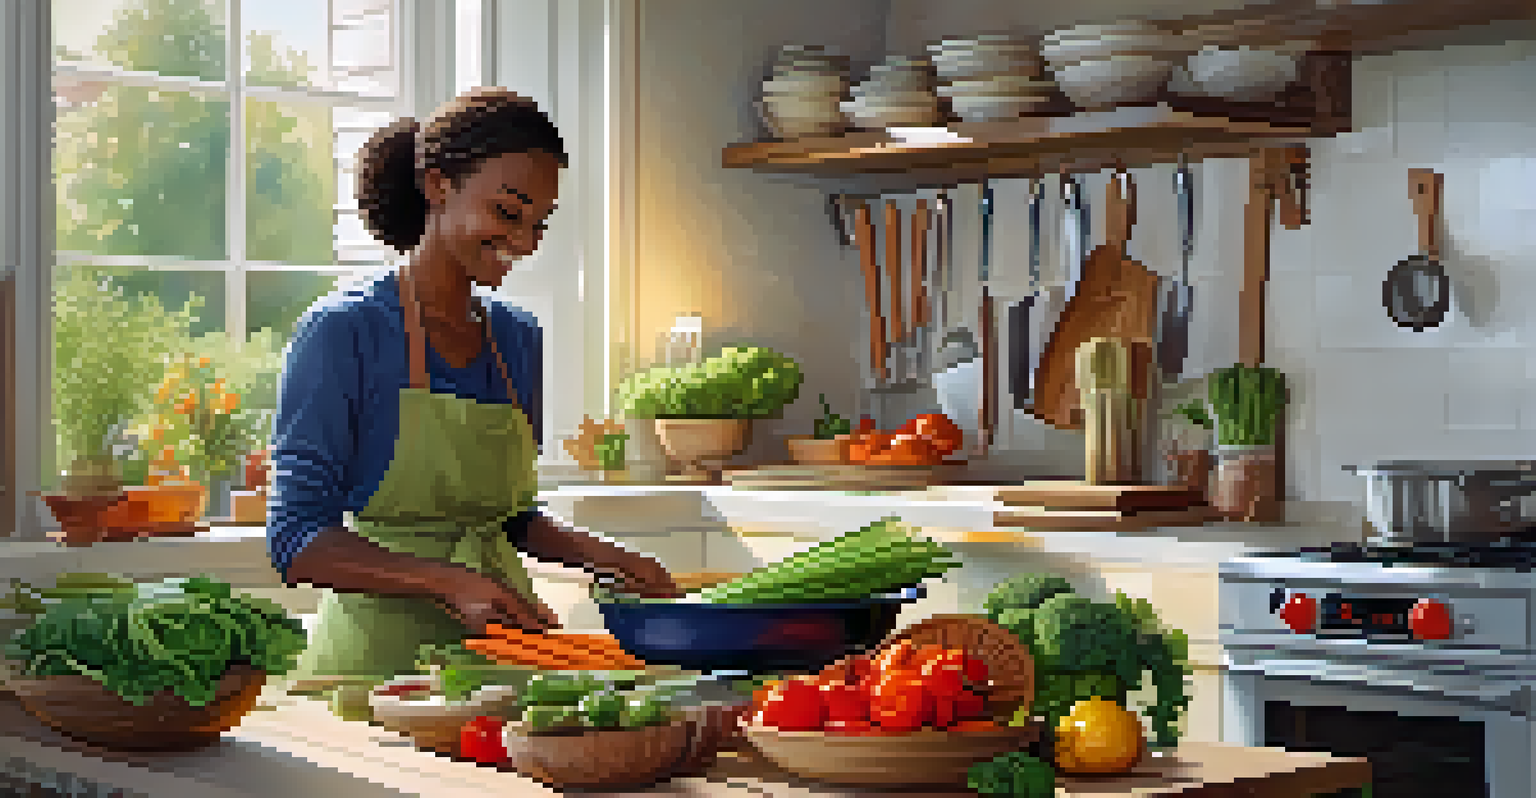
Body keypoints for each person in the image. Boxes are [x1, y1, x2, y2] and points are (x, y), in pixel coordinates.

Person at [267, 88, 680, 682]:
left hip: (507, 656)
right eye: (508, 213)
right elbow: (297, 539)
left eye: (539, 223)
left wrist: (605, 556)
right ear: (438, 186)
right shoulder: (342, 331)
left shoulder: (518, 340)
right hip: (374, 677)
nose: (525, 242)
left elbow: (509, 517)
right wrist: (446, 581)